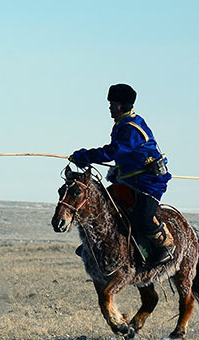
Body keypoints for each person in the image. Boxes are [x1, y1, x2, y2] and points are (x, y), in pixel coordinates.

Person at [69, 83, 175, 264]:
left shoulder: (131, 128)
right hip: (130, 179)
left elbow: (113, 152)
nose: (110, 108)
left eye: (112, 104)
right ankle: (93, 244)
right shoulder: (123, 124)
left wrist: (85, 156)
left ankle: (166, 245)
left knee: (144, 217)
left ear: (120, 105)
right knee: (103, 202)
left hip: (149, 182)